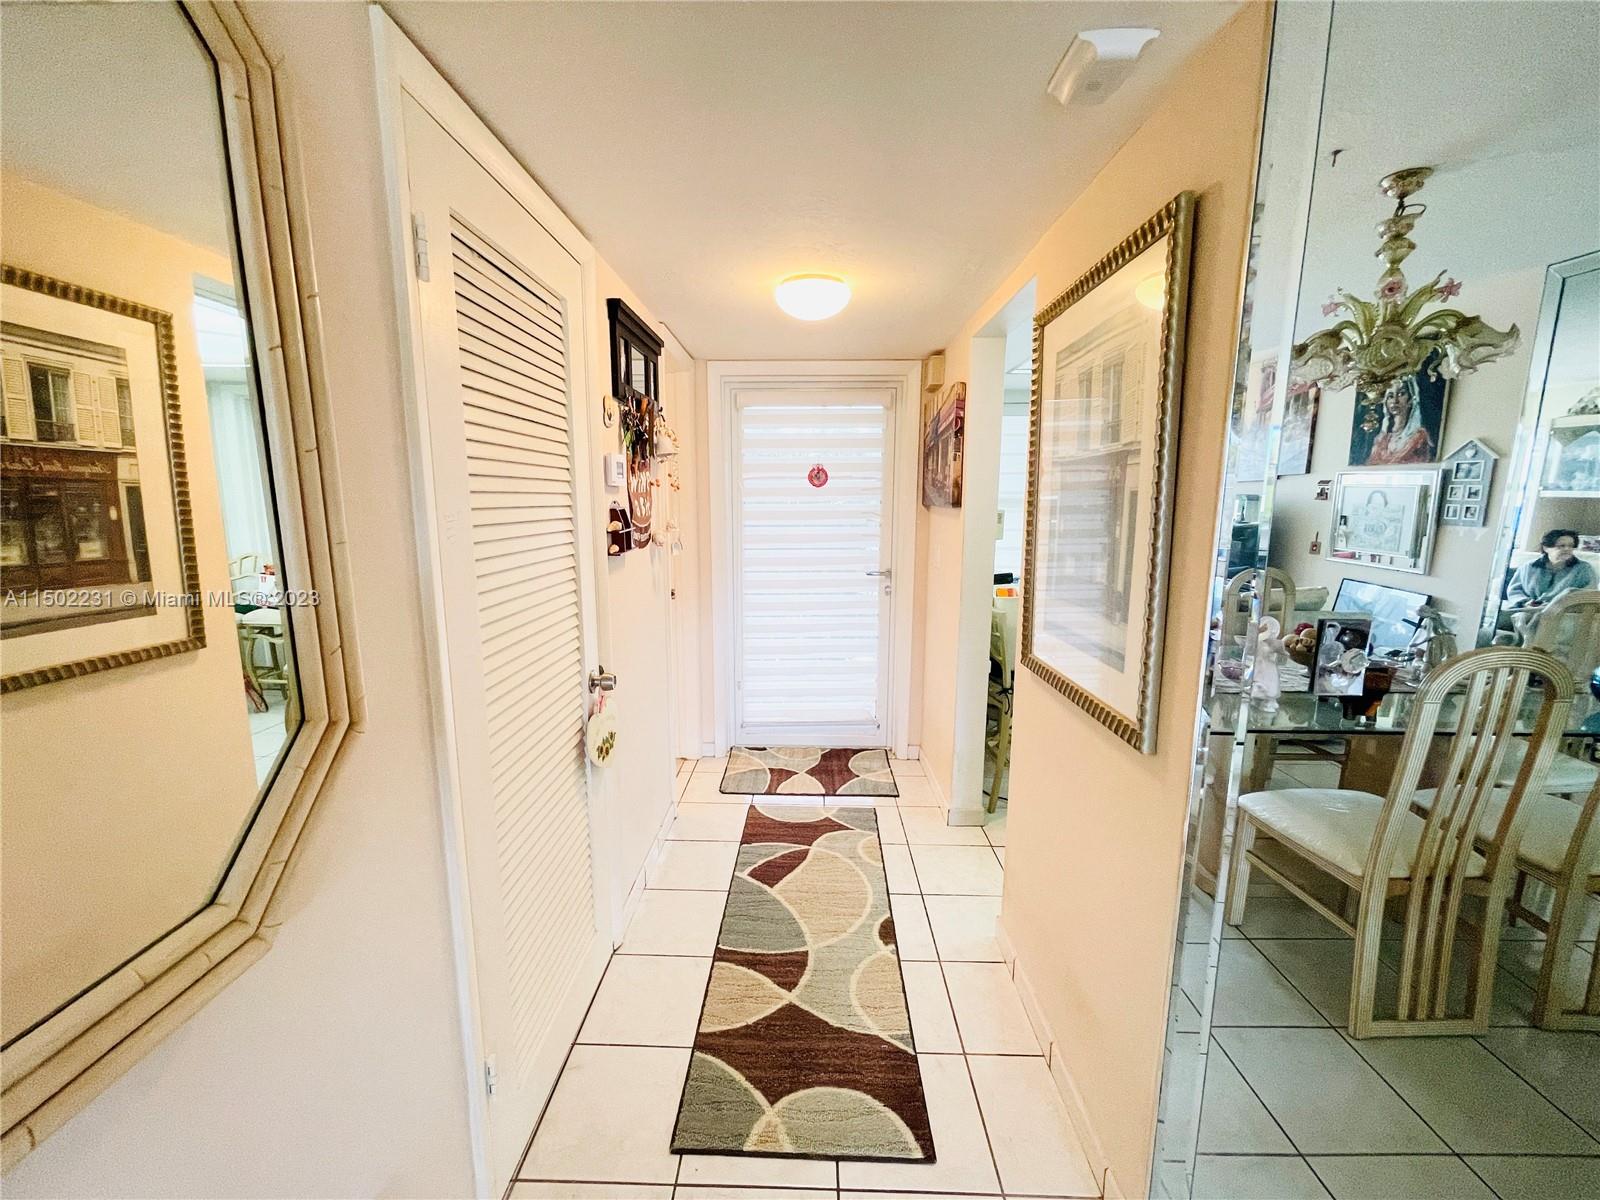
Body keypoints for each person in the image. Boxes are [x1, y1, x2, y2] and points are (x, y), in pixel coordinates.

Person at [1505, 528, 1595, 611]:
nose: (1567, 549)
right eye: (1561, 546)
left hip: (1563, 613)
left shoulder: (1584, 569)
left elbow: (1588, 595)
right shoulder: (1528, 567)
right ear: (1546, 548)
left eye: (1571, 546)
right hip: (1527, 609)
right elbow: (1515, 590)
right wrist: (1525, 602)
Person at [1366, 375, 1435, 465]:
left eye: (1401, 394)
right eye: (1390, 396)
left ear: (1410, 400)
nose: (1395, 401)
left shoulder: (1418, 438)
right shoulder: (1382, 439)